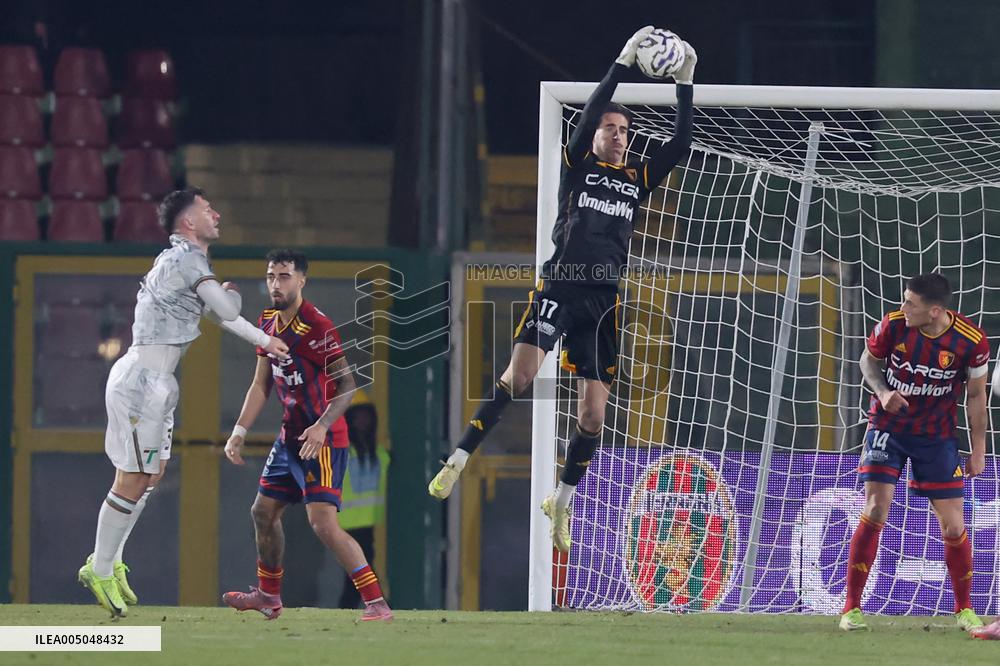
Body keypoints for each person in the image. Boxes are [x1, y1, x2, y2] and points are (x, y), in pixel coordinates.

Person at [428, 25, 696, 554]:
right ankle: (457, 459)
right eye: (609, 127)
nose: (617, 134)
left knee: (594, 415)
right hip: (560, 288)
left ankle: (562, 501)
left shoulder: (638, 178)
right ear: (593, 133)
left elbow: (682, 143)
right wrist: (621, 63)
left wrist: (686, 80)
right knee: (520, 376)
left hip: (603, 303)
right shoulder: (577, 167)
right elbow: (596, 101)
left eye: (623, 130)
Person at [78, 188, 289, 618]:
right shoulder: (185, 260)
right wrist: (269, 340)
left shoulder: (182, 263)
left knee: (151, 475)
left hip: (155, 381)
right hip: (142, 380)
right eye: (206, 208)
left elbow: (219, 310)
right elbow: (226, 313)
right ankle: (98, 567)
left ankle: (111, 559)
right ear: (188, 222)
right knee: (132, 478)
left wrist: (230, 302)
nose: (216, 212)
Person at [222, 249, 392, 622]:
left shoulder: (317, 326)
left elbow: (348, 384)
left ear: (301, 281)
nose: (276, 284)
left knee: (322, 523)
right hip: (290, 439)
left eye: (284, 276)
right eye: (270, 276)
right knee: (263, 512)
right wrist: (239, 431)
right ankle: (268, 596)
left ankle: (377, 604)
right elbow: (260, 384)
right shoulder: (265, 322)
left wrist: (322, 426)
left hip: (325, 440)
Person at [840, 273, 988, 633]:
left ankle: (965, 609)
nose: (903, 307)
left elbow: (975, 397)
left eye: (911, 303)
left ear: (934, 311)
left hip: (936, 437)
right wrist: (883, 391)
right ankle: (851, 608)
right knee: (875, 507)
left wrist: (979, 451)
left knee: (954, 526)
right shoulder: (893, 326)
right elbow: (867, 362)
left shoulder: (971, 342)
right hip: (888, 427)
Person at [337, 390, 390, 609]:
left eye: (366, 415)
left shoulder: (378, 452)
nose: (363, 421)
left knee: (356, 572)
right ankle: (381, 603)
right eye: (357, 415)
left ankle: (359, 607)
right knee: (361, 568)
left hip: (366, 524)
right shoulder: (340, 451)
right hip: (343, 525)